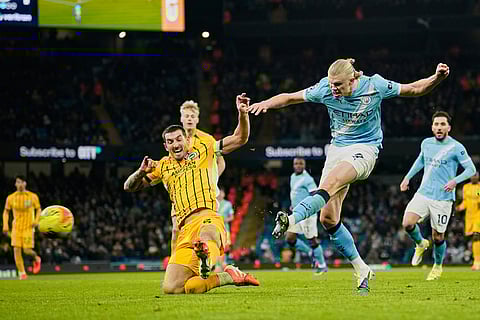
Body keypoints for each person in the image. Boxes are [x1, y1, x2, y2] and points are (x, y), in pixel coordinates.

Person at [248, 58, 450, 294]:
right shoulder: (324, 88)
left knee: (332, 182)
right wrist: (266, 103)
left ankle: (291, 220)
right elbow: (290, 97)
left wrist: (437, 78)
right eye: (332, 84)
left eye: (338, 85)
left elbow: (414, 89)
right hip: (336, 149)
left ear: (354, 79)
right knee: (328, 219)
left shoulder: (375, 85)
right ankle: (362, 269)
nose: (333, 88)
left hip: (365, 150)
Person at [124, 93, 259, 294]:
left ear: (186, 140)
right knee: (175, 288)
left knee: (207, 236)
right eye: (171, 142)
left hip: (207, 217)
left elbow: (240, 138)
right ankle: (226, 275)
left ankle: (205, 255)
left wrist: (242, 114)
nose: (176, 144)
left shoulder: (206, 147)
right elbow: (129, 186)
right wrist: (141, 171)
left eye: (179, 139)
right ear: (165, 146)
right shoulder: (162, 166)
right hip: (184, 226)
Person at [400, 111, 476, 279]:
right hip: (423, 193)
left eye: (443, 124)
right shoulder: (426, 143)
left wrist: (455, 181)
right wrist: (407, 178)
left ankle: (437, 266)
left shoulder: (456, 147)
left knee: (438, 236)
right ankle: (420, 243)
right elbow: (420, 160)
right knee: (407, 223)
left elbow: (471, 169)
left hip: (443, 198)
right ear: (432, 127)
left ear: (448, 127)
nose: (439, 127)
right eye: (436, 124)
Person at [169, 100, 226, 255]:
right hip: (181, 194)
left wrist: (212, 180)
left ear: (197, 119)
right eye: (186, 116)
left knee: (204, 229)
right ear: (181, 118)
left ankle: (207, 261)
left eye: (192, 116)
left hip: (201, 194)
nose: (189, 119)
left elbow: (221, 162)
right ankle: (174, 264)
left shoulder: (208, 140)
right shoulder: (175, 141)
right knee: (175, 230)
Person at [286, 158, 327, 274]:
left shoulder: (308, 179)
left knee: (312, 240)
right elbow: (295, 194)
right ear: (293, 165)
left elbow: (315, 194)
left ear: (304, 165)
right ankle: (310, 253)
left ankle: (323, 265)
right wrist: (292, 205)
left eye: (300, 164)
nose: (298, 166)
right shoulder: (293, 176)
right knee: (289, 238)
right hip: (296, 213)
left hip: (307, 214)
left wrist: (313, 209)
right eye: (296, 163)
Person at [2, 175, 42, 280]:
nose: (19, 184)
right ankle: (22, 273)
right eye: (17, 182)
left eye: (21, 182)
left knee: (27, 250)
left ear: (25, 183)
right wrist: (5, 224)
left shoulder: (32, 196)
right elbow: (6, 211)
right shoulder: (10, 198)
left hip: (28, 227)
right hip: (16, 228)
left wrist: (36, 221)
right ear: (15, 184)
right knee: (16, 249)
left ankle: (36, 258)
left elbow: (38, 209)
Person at [456, 171, 480, 270]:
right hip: (469, 216)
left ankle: (477, 262)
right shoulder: (466, 187)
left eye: (476, 175)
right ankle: (476, 260)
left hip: (478, 215)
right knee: (473, 239)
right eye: (472, 175)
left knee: (476, 236)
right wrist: (459, 208)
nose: (474, 177)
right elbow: (465, 201)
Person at [215, 187, 234, 271]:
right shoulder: (213, 203)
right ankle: (217, 265)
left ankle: (224, 263)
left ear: (224, 194)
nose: (220, 194)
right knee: (216, 246)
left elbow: (232, 217)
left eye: (221, 192)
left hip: (225, 228)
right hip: (215, 228)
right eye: (218, 192)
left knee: (225, 246)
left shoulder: (228, 204)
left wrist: (225, 220)